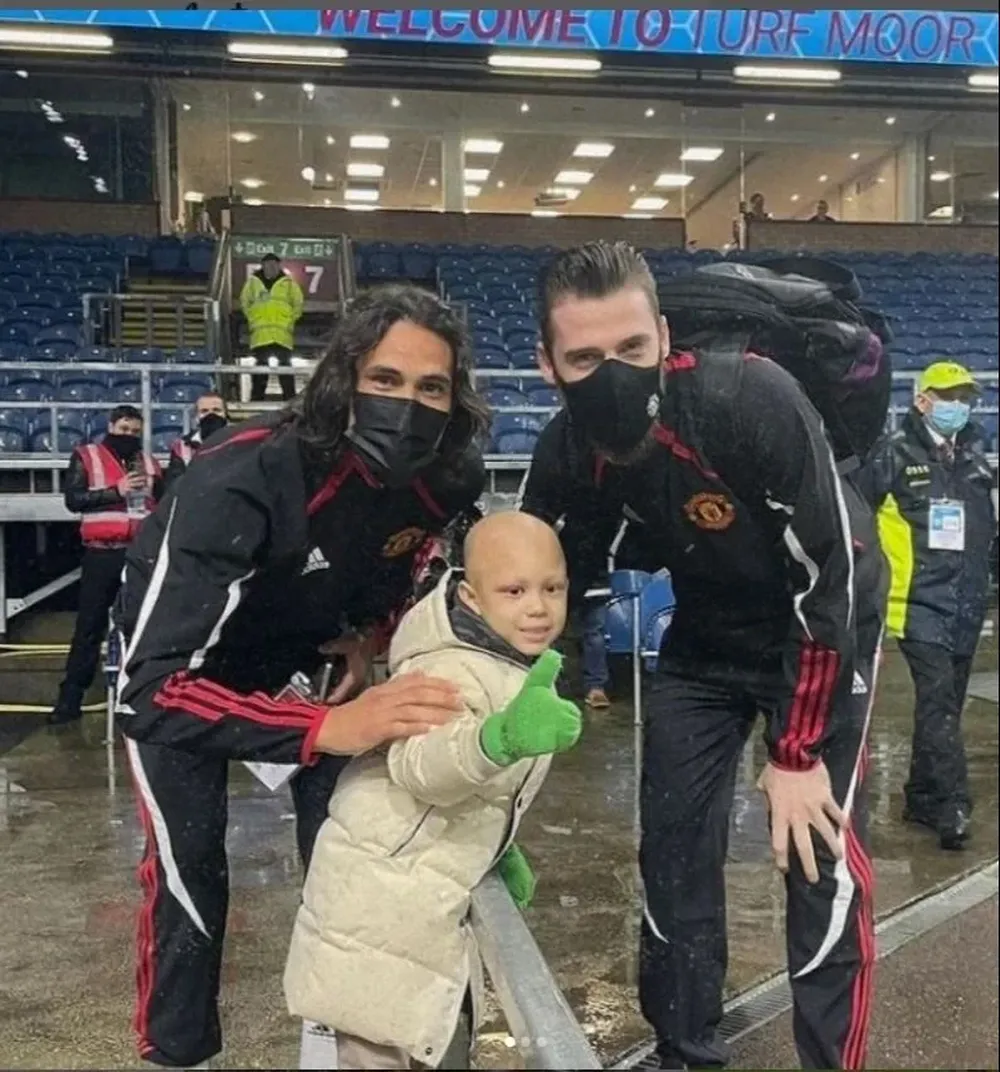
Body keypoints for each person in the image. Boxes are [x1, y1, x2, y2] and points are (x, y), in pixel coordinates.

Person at [518, 241, 884, 1071]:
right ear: (547, 364)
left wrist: (796, 754)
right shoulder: (566, 454)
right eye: (584, 357)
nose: (612, 373)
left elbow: (832, 575)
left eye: (632, 350)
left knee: (816, 855)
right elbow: (541, 587)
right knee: (673, 847)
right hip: (707, 638)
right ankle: (686, 1050)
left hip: (822, 631)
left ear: (665, 334)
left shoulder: (749, 397)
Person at [115, 284, 490, 1070]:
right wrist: (326, 729)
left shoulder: (446, 480)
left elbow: (403, 568)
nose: (408, 405)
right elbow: (147, 692)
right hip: (187, 677)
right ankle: (176, 1054)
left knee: (354, 855)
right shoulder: (239, 477)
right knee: (192, 879)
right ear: (342, 378)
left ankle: (342, 1045)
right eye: (385, 380)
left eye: (432, 387)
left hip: (303, 661)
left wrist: (367, 638)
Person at [284, 511, 581, 1070]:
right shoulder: (448, 668)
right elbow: (424, 765)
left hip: (411, 906)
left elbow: (469, 788)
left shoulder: (503, 660)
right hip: (380, 917)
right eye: (514, 590)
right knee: (381, 1051)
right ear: (470, 597)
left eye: (552, 588)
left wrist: (494, 841)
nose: (537, 607)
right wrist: (501, 738)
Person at [860, 360, 997, 851]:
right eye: (949, 395)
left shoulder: (976, 455)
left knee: (946, 707)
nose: (958, 405)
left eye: (965, 397)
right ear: (923, 400)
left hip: (967, 605)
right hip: (918, 604)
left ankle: (920, 794)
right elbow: (857, 520)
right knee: (938, 703)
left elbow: (986, 532)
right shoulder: (893, 456)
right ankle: (950, 805)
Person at [49, 406, 161, 727]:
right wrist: (116, 492)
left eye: (134, 431)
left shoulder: (150, 463)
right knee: (89, 627)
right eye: (123, 429)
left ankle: (145, 699)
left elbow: (163, 504)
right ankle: (69, 701)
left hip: (140, 556)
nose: (128, 435)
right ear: (111, 426)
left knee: (144, 628)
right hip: (102, 553)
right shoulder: (86, 456)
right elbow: (74, 499)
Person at [239, 251, 305, 402]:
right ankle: (256, 399)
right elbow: (245, 302)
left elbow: (298, 303)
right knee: (260, 369)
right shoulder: (252, 283)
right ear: (263, 266)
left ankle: (290, 400)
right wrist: (254, 318)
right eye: (268, 264)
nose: (271, 267)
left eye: (274, 264)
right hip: (260, 335)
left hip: (282, 335)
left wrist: (289, 320)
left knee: (286, 369)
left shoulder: (289, 284)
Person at [162, 392, 229, 492]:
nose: (211, 415)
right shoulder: (182, 447)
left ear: (226, 414)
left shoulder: (242, 443)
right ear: (196, 417)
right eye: (204, 411)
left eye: (217, 410)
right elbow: (174, 484)